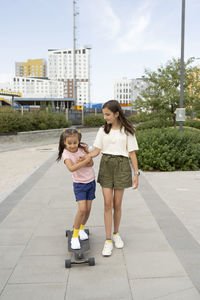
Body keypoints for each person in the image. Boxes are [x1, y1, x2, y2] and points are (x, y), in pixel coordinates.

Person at [86, 100, 139, 257]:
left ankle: (116, 233)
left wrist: (136, 174)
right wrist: (84, 157)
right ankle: (108, 240)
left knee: (117, 204)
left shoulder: (128, 131)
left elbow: (132, 154)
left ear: (117, 114)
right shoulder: (103, 130)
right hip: (106, 165)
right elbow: (96, 150)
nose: (105, 117)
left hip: (122, 166)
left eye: (108, 114)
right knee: (107, 204)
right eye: (104, 114)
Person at [56, 128, 96, 250]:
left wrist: (86, 159)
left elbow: (91, 163)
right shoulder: (66, 154)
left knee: (88, 209)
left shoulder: (83, 148)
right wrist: (85, 160)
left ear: (78, 141)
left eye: (75, 142)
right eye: (70, 143)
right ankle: (74, 235)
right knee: (82, 209)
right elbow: (71, 168)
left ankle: (81, 229)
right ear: (64, 143)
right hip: (79, 185)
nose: (73, 146)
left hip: (91, 181)